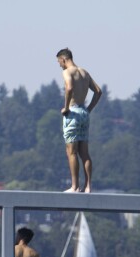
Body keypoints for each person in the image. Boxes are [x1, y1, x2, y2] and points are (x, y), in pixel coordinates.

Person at [56, 48, 101, 193]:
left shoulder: (67, 72)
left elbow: (69, 88)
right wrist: (89, 109)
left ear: (63, 59)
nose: (59, 65)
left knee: (72, 152)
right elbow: (98, 91)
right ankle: (88, 186)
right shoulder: (84, 72)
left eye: (59, 62)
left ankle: (74, 187)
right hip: (83, 113)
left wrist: (66, 108)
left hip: (73, 113)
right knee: (85, 153)